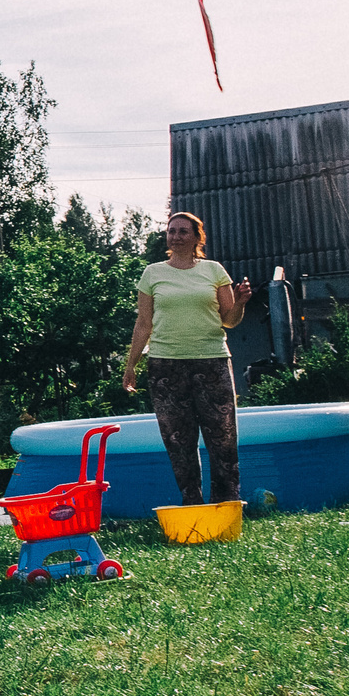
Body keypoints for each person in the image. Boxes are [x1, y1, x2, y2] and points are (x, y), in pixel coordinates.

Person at [119, 210, 254, 506]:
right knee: (178, 441)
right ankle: (192, 504)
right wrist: (131, 366)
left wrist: (241, 302)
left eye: (183, 231)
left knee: (223, 436)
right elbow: (143, 324)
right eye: (171, 231)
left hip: (212, 361)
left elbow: (229, 320)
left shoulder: (214, 271)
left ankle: (227, 504)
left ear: (196, 237)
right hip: (165, 365)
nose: (176, 236)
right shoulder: (152, 273)